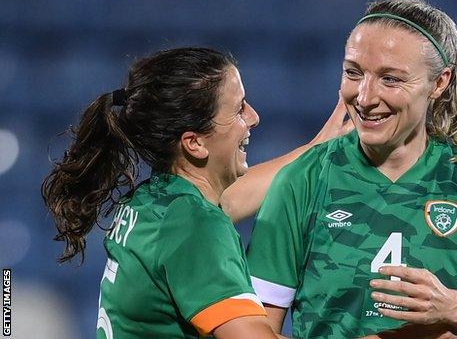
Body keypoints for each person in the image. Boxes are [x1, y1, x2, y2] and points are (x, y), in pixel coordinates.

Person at [246, 0, 457, 339]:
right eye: (353, 73)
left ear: (439, 83)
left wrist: (449, 305)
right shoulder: (301, 180)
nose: (365, 97)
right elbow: (255, 333)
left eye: (391, 79)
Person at [41, 47, 352, 339]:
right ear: (194, 143)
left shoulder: (156, 200)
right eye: (239, 109)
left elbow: (230, 200)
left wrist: (315, 151)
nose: (254, 117)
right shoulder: (194, 226)